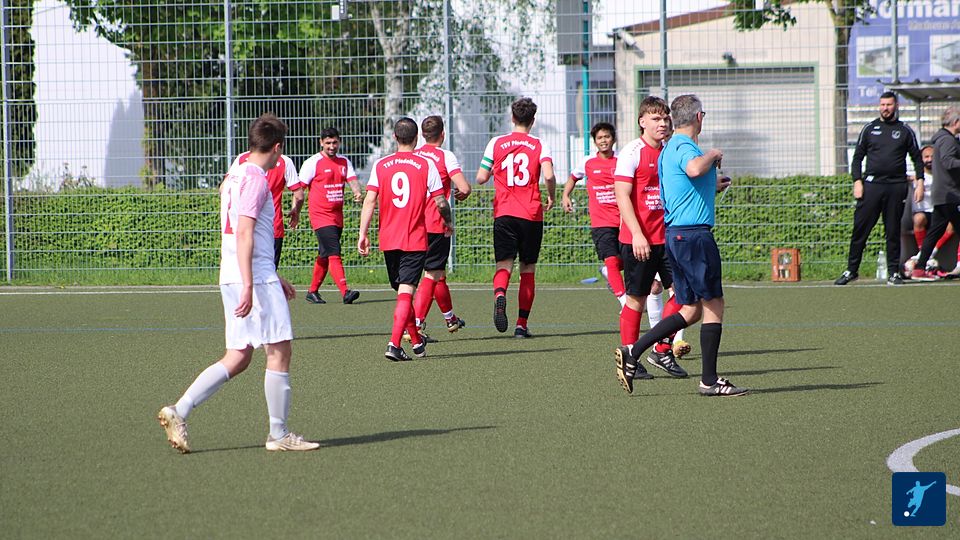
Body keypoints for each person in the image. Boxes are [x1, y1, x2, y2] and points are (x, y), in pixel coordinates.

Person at [157, 113, 319, 453]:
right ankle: (278, 434)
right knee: (279, 350)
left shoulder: (233, 175)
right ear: (277, 148)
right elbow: (245, 231)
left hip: (234, 272)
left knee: (239, 355)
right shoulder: (257, 178)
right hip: (251, 277)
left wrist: (272, 275)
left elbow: (242, 232)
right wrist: (252, 283)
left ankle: (179, 410)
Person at [614, 94, 746, 397]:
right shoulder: (686, 146)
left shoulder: (668, 148)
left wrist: (711, 184)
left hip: (675, 235)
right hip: (694, 236)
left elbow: (681, 184)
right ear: (699, 117)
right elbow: (694, 169)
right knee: (714, 304)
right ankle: (709, 381)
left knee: (691, 309)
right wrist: (713, 154)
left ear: (673, 118)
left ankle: (634, 352)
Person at [358, 117, 451, 361]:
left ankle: (416, 342)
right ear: (416, 138)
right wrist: (448, 222)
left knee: (402, 293)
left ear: (395, 138)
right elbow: (440, 201)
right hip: (414, 239)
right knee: (406, 293)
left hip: (388, 239)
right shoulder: (425, 164)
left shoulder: (381, 164)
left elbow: (369, 200)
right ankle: (394, 344)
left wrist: (362, 233)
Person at [611, 97, 688, 382]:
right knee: (636, 301)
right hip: (639, 240)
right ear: (642, 121)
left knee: (684, 294)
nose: (663, 123)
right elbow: (622, 196)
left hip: (668, 238)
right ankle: (629, 358)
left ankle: (662, 349)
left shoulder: (671, 151)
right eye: (656, 118)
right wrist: (638, 234)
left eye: (666, 118)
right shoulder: (632, 152)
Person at [476, 97, 557, 338]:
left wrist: (494, 171)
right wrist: (551, 196)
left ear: (512, 118)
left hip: (504, 213)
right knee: (527, 268)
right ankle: (521, 325)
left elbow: (480, 178)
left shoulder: (496, 142)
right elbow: (549, 175)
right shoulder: (540, 144)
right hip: (531, 214)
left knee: (504, 264)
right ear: (533, 120)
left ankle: (500, 293)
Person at [835, 91, 924, 286]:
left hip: (896, 187)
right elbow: (857, 158)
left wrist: (920, 182)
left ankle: (893, 273)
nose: (885, 108)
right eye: (882, 105)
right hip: (872, 186)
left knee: (892, 231)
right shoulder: (869, 128)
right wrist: (857, 181)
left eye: (889, 105)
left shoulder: (905, 130)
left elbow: (917, 158)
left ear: (896, 106)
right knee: (860, 229)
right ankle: (851, 270)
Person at [408, 115, 472, 342]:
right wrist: (464, 192)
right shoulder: (445, 156)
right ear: (442, 134)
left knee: (438, 274)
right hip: (436, 222)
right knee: (432, 274)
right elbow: (464, 187)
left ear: (422, 136)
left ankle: (450, 318)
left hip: (413, 223)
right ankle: (415, 327)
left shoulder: (414, 156)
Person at [562, 122, 625, 309]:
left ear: (613, 139)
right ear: (595, 141)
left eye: (607, 137)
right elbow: (573, 178)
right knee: (611, 260)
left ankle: (608, 272)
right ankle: (624, 302)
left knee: (628, 261)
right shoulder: (587, 162)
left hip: (624, 219)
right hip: (601, 222)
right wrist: (565, 196)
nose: (603, 140)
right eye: (599, 138)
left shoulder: (623, 160)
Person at [299, 127, 363, 304]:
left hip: (337, 217)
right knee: (334, 251)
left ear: (339, 142)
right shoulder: (312, 163)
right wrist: (295, 210)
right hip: (320, 216)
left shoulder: (344, 162)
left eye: (334, 142)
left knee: (324, 254)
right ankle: (345, 292)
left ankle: (312, 291)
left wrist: (357, 192)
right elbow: (299, 189)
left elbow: (352, 180)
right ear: (321, 143)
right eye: (328, 143)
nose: (332, 146)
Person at [230, 151, 303, 269]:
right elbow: (299, 196)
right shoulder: (284, 161)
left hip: (244, 227)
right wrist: (296, 211)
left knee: (244, 271)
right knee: (268, 272)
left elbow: (224, 188)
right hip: (272, 227)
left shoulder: (241, 159)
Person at [912, 106, 960, 280]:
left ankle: (919, 267)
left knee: (934, 233)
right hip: (950, 194)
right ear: (956, 122)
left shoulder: (942, 139)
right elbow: (948, 161)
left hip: (943, 194)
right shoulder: (947, 140)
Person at [902, 145, 934, 274]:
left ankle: (924, 256)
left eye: (932, 157)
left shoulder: (942, 175)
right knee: (919, 219)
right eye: (926, 157)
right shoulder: (916, 177)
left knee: (952, 224)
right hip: (922, 213)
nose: (930, 159)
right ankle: (924, 254)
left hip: (939, 213)